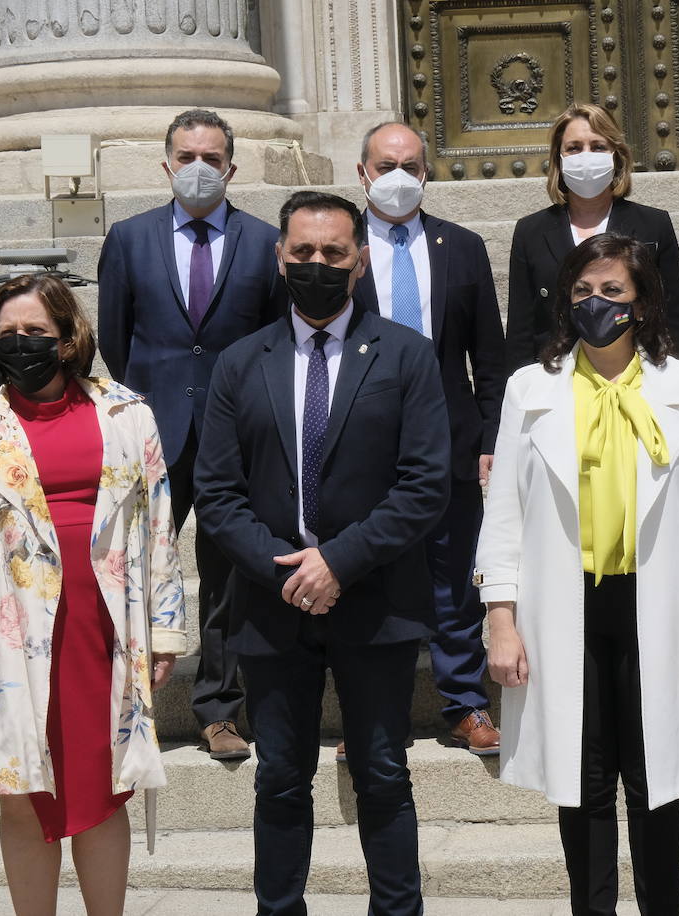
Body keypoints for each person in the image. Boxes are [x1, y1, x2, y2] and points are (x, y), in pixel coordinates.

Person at [194, 191, 451, 916]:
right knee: (278, 776)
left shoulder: (407, 355)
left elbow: (425, 484)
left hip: (374, 602)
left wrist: (337, 562)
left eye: (333, 254)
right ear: (280, 258)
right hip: (273, 605)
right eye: (302, 252)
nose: (317, 265)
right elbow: (217, 492)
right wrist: (286, 568)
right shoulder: (242, 362)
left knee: (381, 773)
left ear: (360, 262)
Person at [475, 233, 679, 914]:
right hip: (565, 609)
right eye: (584, 292)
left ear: (643, 302)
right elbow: (504, 508)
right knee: (582, 780)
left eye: (614, 291)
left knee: (656, 779)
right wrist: (499, 620)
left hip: (660, 606)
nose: (598, 304)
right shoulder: (531, 389)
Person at [0, 274, 184, 916]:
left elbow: (158, 525)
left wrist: (165, 630)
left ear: (68, 338)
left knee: (102, 789)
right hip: (6, 632)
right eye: (8, 335)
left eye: (36, 334)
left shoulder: (126, 413)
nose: (21, 344)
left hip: (101, 626)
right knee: (23, 790)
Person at [98, 108, 286, 759]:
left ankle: (217, 709)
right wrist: (149, 408)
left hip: (236, 434)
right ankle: (135, 703)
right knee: (140, 572)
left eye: (211, 158)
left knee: (229, 573)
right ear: (167, 164)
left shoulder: (265, 241)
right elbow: (115, 341)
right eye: (187, 157)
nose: (199, 168)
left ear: (231, 167)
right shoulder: (129, 238)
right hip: (153, 432)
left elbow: (272, 340)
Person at [350, 121, 507, 756]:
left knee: (452, 571)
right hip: (359, 436)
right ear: (363, 172)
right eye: (385, 165)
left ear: (426, 172)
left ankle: (465, 702)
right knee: (365, 569)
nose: (398, 177)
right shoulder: (339, 247)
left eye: (410, 166)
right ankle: (366, 709)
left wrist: (494, 437)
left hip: (449, 436)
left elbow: (489, 356)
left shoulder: (461, 246)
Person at [506, 103, 679, 371]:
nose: (586, 156)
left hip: (638, 378)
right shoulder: (531, 231)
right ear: (559, 158)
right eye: (574, 148)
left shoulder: (654, 225)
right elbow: (520, 332)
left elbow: (673, 320)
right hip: (554, 380)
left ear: (616, 155)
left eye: (598, 147)